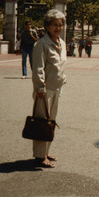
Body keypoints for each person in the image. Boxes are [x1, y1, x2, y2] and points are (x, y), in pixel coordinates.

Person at [31, 9, 67, 168]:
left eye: (60, 25)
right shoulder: (41, 44)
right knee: (41, 122)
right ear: (47, 26)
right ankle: (40, 156)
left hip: (57, 88)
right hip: (44, 91)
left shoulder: (62, 43)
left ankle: (46, 152)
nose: (58, 28)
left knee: (51, 121)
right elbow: (38, 68)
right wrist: (40, 89)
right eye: (55, 25)